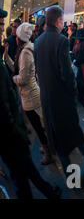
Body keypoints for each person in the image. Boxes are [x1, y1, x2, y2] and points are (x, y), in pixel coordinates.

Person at [34, 6, 84, 173]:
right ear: (57, 21)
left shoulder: (38, 41)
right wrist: (72, 92)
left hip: (47, 98)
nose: (63, 24)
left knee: (59, 136)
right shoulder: (61, 40)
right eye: (62, 20)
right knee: (70, 131)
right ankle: (75, 174)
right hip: (62, 97)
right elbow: (67, 73)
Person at [12, 22, 54, 165]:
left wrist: (12, 79)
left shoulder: (25, 53)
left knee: (38, 126)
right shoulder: (24, 50)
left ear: (19, 37)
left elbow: (23, 78)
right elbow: (19, 70)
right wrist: (6, 57)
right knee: (42, 124)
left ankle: (48, 152)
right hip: (29, 95)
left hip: (31, 96)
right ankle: (48, 146)